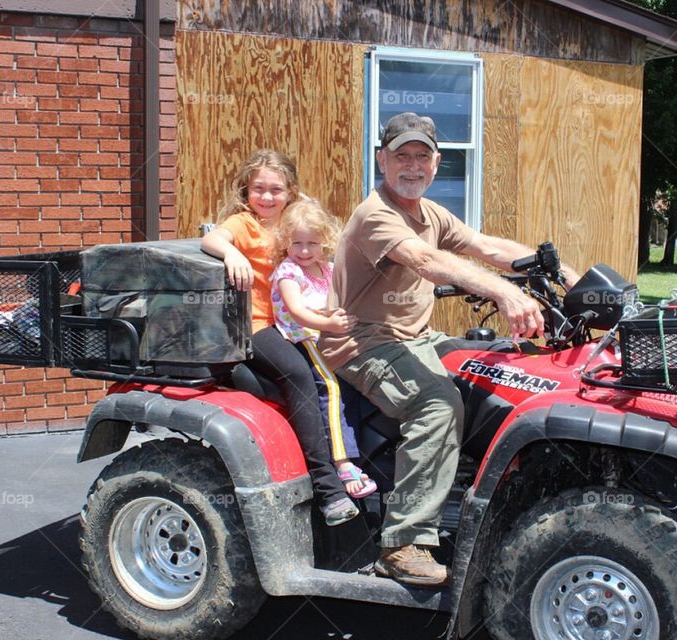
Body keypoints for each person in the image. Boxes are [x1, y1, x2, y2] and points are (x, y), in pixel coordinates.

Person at [319, 113, 578, 586]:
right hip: (361, 342)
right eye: (402, 156)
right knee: (437, 405)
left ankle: (477, 490)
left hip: (415, 337)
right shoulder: (376, 213)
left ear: (437, 163)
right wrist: (504, 293)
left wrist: (564, 275)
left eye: (422, 156)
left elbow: (483, 245)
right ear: (382, 159)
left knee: (504, 364)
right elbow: (427, 261)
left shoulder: (430, 213)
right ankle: (402, 542)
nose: (412, 166)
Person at [201, 149, 359, 526]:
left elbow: (323, 237)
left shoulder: (293, 225)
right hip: (256, 325)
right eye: (259, 189)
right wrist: (230, 255)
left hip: (295, 325)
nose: (267, 197)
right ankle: (327, 488)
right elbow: (212, 240)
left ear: (290, 191)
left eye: (277, 189)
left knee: (346, 370)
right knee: (299, 376)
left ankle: (354, 460)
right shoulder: (243, 224)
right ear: (246, 190)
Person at [270, 199, 377, 499]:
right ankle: (343, 463)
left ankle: (366, 447)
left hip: (325, 333)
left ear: (324, 241)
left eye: (312, 243)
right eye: (297, 243)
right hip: (304, 335)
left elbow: (339, 299)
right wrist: (329, 324)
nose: (304, 251)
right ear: (286, 243)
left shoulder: (326, 269)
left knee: (355, 380)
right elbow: (298, 311)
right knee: (329, 386)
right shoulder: (288, 272)